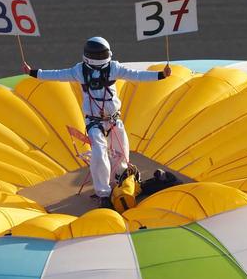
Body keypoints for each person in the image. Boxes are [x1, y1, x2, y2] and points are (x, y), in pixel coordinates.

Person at [24, 36, 172, 208]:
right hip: (94, 123)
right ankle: (104, 193)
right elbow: (57, 75)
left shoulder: (112, 68)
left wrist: (161, 75)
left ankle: (122, 176)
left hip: (114, 120)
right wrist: (33, 72)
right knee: (99, 153)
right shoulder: (80, 71)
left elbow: (136, 75)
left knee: (122, 150)